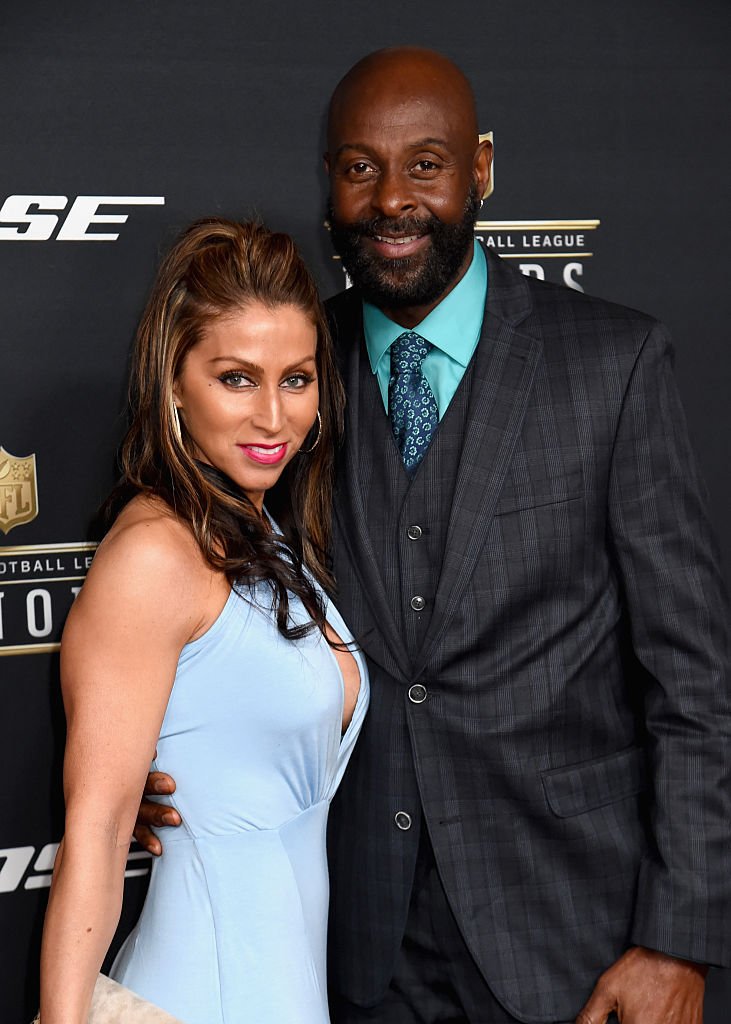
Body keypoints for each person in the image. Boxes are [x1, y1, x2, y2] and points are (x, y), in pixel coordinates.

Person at [135, 49, 730, 1024]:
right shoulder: (286, 371)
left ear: (481, 169)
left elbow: (692, 680)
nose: (389, 199)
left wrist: (678, 937)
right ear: (326, 180)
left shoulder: (610, 365)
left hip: (571, 945)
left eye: (425, 164)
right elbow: (196, 584)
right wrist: (163, 763)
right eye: (359, 167)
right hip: (349, 947)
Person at [39, 218, 368, 1024]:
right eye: (235, 378)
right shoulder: (154, 556)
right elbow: (100, 826)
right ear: (174, 382)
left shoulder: (262, 531)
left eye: (296, 379)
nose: (272, 417)